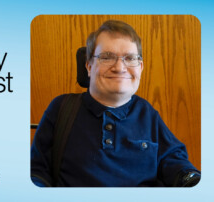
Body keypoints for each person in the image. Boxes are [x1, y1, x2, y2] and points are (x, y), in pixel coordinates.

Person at [31, 20, 200, 187]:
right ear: (89, 66)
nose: (119, 67)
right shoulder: (61, 109)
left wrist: (190, 180)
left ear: (140, 67)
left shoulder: (147, 113)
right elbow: (36, 171)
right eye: (106, 57)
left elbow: (173, 161)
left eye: (130, 58)